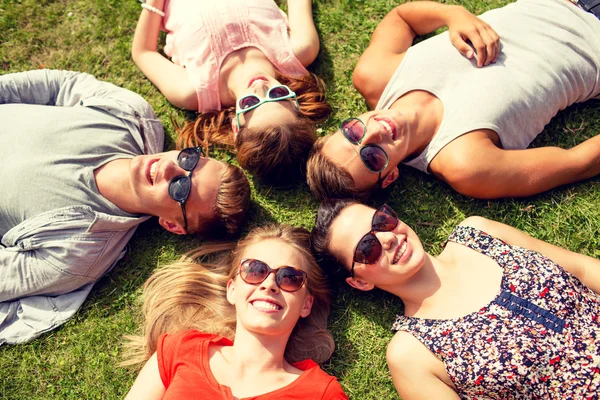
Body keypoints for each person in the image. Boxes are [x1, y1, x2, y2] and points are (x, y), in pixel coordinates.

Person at [0, 69, 251, 345]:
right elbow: (60, 86)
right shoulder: (130, 116)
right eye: (189, 160)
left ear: (171, 225)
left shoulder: (77, 252)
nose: (168, 166)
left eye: (181, 188)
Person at [307, 0, 600, 201]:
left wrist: (453, 15)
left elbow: (402, 18)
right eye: (372, 157)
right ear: (390, 176)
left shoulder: (374, 76)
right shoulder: (465, 164)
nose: (374, 132)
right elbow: (578, 163)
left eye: (352, 133)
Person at [311, 199, 600, 399]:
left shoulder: (477, 232)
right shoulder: (412, 354)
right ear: (360, 281)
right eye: (367, 248)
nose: (386, 238)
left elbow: (583, 268)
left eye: (382, 220)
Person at [123, 224, 348, 399]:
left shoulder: (320, 393)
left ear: (306, 305)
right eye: (255, 270)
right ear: (232, 290)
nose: (269, 284)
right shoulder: (179, 350)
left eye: (289, 278)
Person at [132, 0, 331, 185]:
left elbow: (144, 52)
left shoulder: (193, 91)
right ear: (295, 102)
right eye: (278, 93)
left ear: (236, 126)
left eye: (250, 103)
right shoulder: (299, 50)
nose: (260, 86)